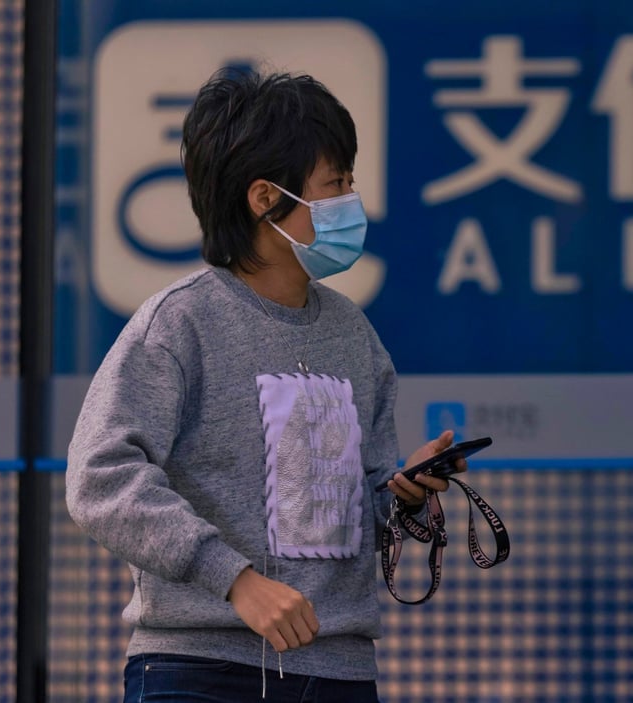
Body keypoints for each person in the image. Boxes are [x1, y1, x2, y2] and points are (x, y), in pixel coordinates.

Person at [65, 67, 462, 703]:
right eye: (335, 185)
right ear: (264, 198)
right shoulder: (181, 323)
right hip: (199, 671)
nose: (351, 202)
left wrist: (404, 493)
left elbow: (358, 513)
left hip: (339, 673)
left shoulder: (354, 334)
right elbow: (99, 478)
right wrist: (235, 580)